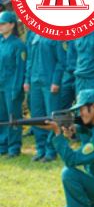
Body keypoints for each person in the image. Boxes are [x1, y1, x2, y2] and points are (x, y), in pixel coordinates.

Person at [25, 32, 67, 162]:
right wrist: (27, 80)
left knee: (51, 117)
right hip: (35, 81)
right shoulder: (33, 35)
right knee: (37, 116)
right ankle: (40, 149)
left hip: (49, 82)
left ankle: (51, 150)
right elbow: (29, 60)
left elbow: (61, 61)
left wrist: (56, 81)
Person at [0, 11, 27, 158]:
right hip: (0, 86)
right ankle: (2, 145)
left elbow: (20, 69)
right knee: (1, 116)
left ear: (12, 25)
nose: (0, 26)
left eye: (3, 24)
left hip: (11, 87)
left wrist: (16, 89)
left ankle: (14, 147)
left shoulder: (18, 45)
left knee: (13, 117)